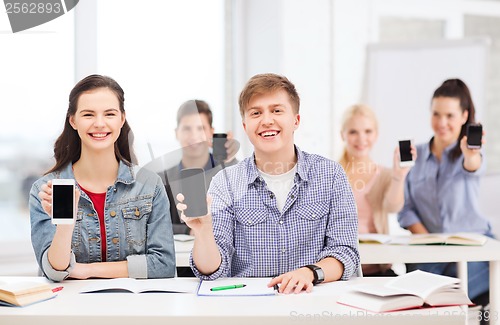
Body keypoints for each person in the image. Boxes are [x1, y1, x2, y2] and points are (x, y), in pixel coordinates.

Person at [177, 73, 360, 294]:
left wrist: (308, 273)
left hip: (313, 302)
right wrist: (203, 231)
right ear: (245, 126)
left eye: (277, 110)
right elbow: (212, 270)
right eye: (256, 113)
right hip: (249, 307)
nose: (266, 120)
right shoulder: (225, 182)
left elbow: (345, 252)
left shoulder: (330, 175)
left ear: (296, 120)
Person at [29, 74, 175, 282]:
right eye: (88, 115)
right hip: (69, 308)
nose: (99, 123)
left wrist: (89, 270)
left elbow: (164, 265)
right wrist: (65, 225)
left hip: (135, 307)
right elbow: (54, 270)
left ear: (122, 119)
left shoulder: (149, 186)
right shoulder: (46, 189)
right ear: (73, 120)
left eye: (109, 114)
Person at [398, 78, 492, 305]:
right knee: (421, 290)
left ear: (464, 116)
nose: (442, 122)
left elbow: (473, 166)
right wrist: (430, 243)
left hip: (473, 249)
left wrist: (470, 155)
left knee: (452, 288)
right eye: (436, 114)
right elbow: (406, 209)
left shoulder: (469, 154)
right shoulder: (415, 154)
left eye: (450, 116)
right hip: (431, 249)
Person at [339, 104, 415, 276]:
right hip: (341, 269)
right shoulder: (332, 173)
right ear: (342, 134)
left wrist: (399, 175)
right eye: (353, 132)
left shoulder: (386, 174)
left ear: (376, 135)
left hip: (376, 266)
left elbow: (393, 207)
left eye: (368, 131)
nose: (361, 139)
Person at [161, 100, 238, 235]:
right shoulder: (163, 179)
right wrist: (190, 230)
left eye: (200, 128)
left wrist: (230, 161)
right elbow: (156, 225)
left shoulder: (229, 171)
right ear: (176, 132)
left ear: (211, 132)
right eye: (187, 129)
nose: (194, 136)